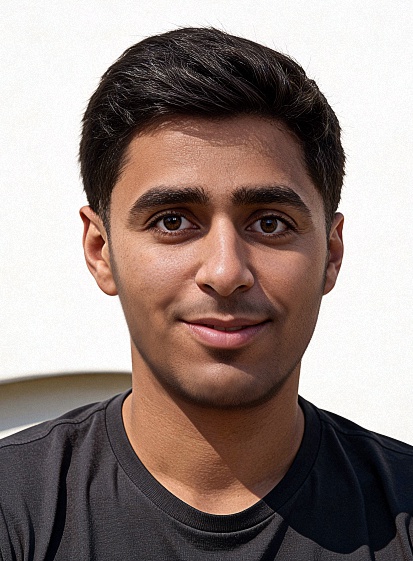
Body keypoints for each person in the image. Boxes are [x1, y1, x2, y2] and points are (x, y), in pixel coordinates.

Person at [0, 27, 412, 561]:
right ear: (101, 250)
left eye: (269, 222)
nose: (225, 271)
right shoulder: (14, 511)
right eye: (172, 221)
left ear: (331, 253)